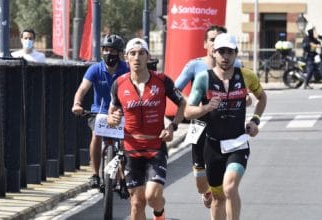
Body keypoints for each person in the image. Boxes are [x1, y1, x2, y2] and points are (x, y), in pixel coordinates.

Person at [184, 33, 267, 220]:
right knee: (218, 198)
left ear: (236, 53)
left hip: (238, 143)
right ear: (213, 53)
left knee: (230, 187)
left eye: (230, 52)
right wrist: (206, 107)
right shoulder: (204, 79)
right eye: (221, 51)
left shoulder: (246, 76)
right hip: (212, 146)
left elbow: (262, 98)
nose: (225, 56)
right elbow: (188, 112)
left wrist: (255, 120)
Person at [107, 38, 186, 220]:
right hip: (131, 149)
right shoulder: (119, 84)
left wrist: (173, 126)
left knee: (153, 196)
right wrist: (113, 118)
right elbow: (112, 111)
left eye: (141, 53)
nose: (137, 57)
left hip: (155, 147)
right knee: (136, 203)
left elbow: (182, 104)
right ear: (125, 57)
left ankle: (159, 214)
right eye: (132, 54)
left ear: (148, 56)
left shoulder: (162, 81)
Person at [174, 25, 250, 209]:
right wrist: (191, 103)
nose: (217, 44)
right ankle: (207, 191)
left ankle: (220, 192)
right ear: (206, 44)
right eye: (212, 40)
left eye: (220, 40)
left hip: (225, 125)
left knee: (226, 183)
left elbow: (244, 92)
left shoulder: (235, 66)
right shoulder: (195, 65)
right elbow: (175, 89)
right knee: (200, 178)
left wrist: (243, 99)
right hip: (199, 123)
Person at [72, 34, 129, 188]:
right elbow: (82, 89)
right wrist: (77, 104)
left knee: (124, 142)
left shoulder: (127, 70)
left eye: (113, 51)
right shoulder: (95, 69)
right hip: (99, 111)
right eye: (106, 49)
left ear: (120, 53)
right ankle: (95, 174)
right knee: (96, 135)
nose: (109, 54)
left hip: (121, 112)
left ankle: (123, 176)